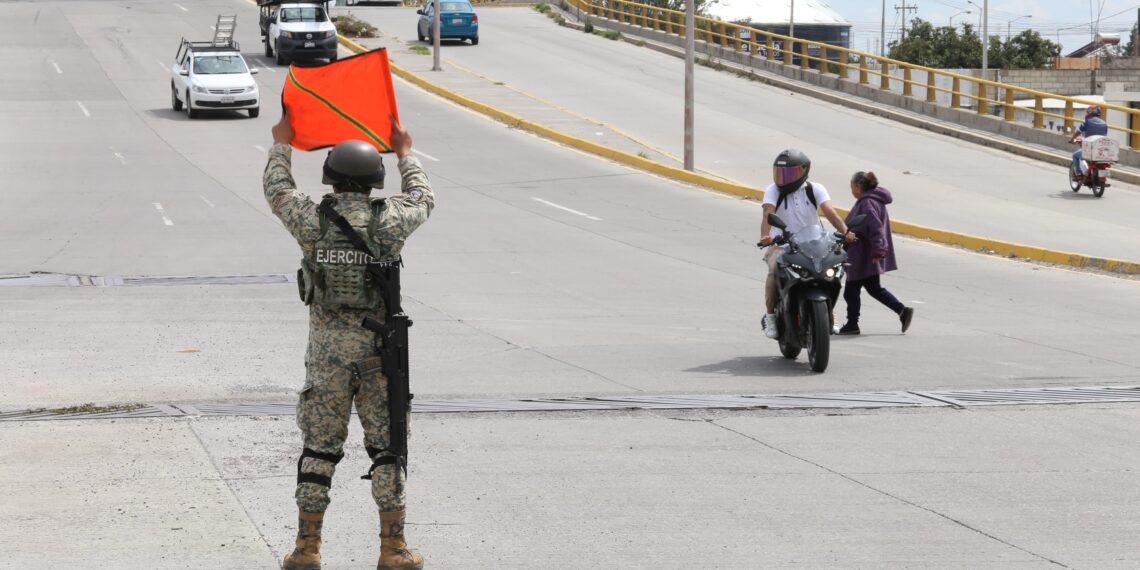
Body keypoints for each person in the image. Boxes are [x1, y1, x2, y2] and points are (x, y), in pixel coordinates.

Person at [265, 112, 434, 570]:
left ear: (331, 178)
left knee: (319, 449)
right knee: (387, 448)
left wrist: (282, 143)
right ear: (374, 181)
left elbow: (277, 191)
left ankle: (306, 549)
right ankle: (393, 549)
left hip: (325, 358)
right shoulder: (389, 221)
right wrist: (405, 152)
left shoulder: (311, 220)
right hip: (378, 355)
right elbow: (423, 198)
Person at [759, 149, 849, 339]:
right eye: (780, 173)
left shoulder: (815, 189)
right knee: (773, 270)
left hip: (814, 242)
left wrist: (845, 231)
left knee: (834, 269)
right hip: (782, 244)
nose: (783, 179)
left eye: (789, 174)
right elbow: (768, 213)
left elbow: (830, 212)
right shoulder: (773, 190)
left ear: (803, 171)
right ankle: (771, 316)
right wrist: (765, 235)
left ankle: (828, 311)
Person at [836, 171, 913, 335]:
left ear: (858, 186)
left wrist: (879, 250)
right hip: (864, 253)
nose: (851, 191)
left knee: (851, 291)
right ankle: (902, 311)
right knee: (873, 288)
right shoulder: (871, 200)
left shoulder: (868, 203)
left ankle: (852, 324)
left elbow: (876, 228)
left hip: (863, 254)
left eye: (851, 187)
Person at [1069, 105, 1108, 179]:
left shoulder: (1087, 122)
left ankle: (1078, 174)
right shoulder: (1104, 123)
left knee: (1075, 155)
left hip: (1090, 149)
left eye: (1087, 112)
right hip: (1102, 150)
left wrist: (1072, 139)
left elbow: (1078, 132)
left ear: (1090, 112)